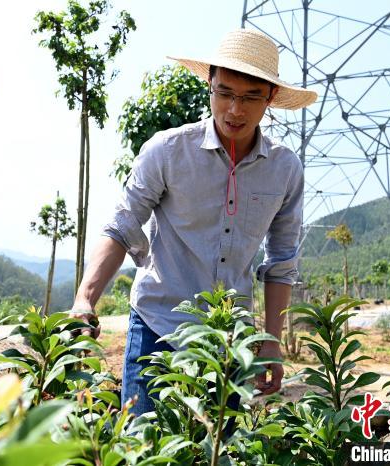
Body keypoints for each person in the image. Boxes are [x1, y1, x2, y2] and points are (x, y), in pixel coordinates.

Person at [71, 29, 318, 415]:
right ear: (209, 84)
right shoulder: (167, 152)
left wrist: (271, 339)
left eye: (251, 97)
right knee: (144, 446)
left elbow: (281, 261)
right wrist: (84, 299)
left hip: (228, 338)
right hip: (159, 326)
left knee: (216, 451)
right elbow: (121, 227)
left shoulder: (285, 170)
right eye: (225, 93)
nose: (235, 110)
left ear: (270, 97)